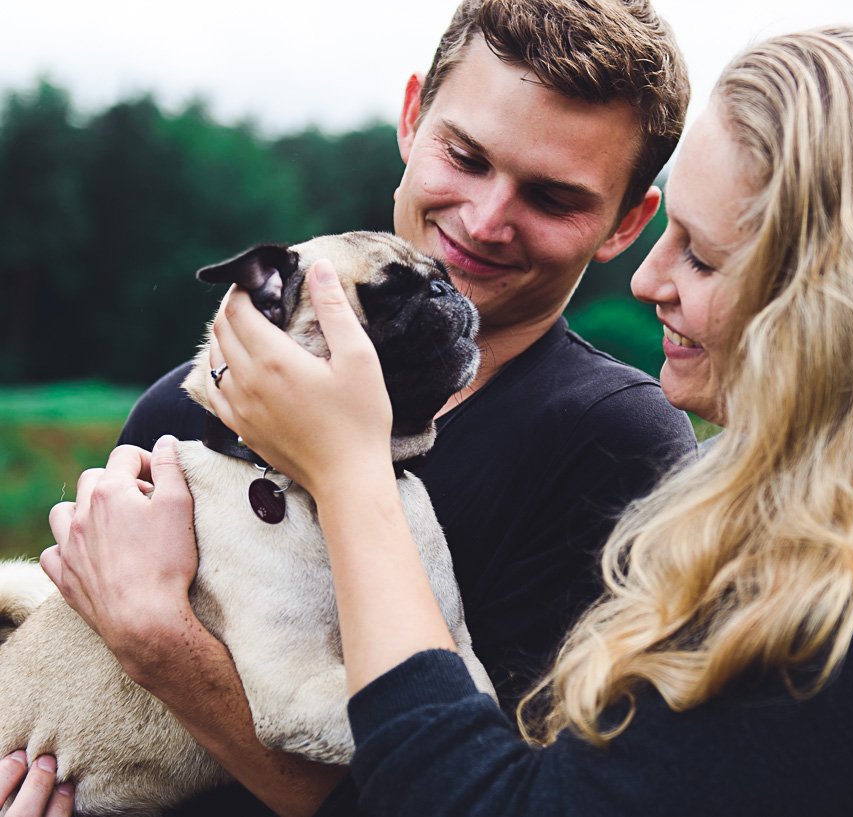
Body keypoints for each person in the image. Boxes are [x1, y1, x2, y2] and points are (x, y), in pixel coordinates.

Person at [16, 23, 853, 817]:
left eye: (702, 254)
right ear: (411, 118)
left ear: (844, 298)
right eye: (466, 155)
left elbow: (464, 797)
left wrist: (186, 621)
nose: (658, 279)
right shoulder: (783, 536)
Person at [5, 2, 695, 816]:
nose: (485, 220)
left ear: (626, 224)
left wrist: (162, 643)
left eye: (551, 197)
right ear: (411, 118)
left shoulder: (615, 447)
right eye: (466, 156)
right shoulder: (188, 411)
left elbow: (483, 797)